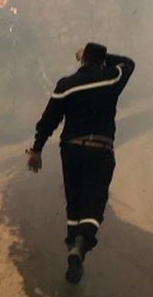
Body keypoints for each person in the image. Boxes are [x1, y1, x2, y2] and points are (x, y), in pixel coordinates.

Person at [25, 42, 135, 284]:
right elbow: (128, 63)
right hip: (100, 149)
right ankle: (81, 245)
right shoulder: (111, 78)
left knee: (74, 202)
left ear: (82, 60)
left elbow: (48, 119)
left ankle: (72, 247)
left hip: (72, 150)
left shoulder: (66, 85)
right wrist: (105, 57)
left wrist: (37, 149)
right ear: (102, 60)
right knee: (94, 202)